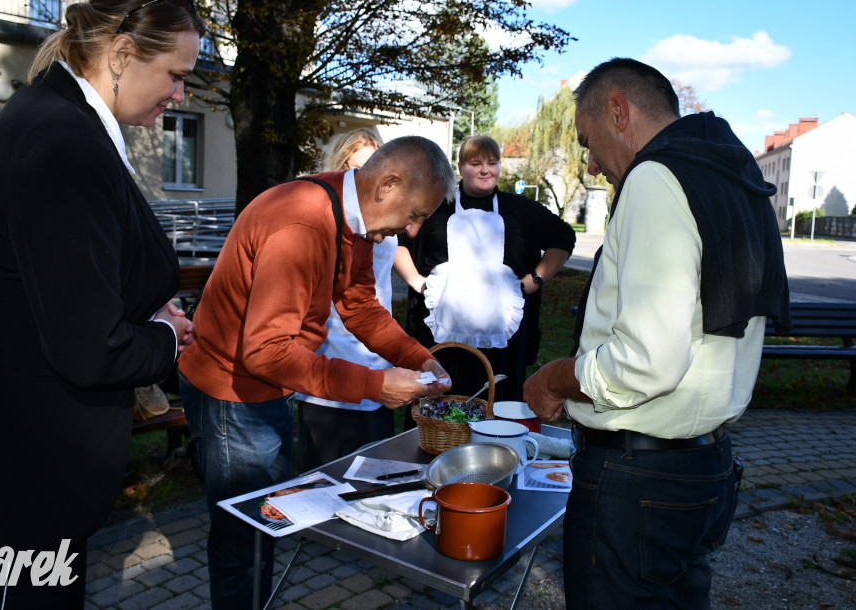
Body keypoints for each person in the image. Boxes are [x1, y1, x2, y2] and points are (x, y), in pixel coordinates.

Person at [0, 0, 203, 608]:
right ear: (123, 53)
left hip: (2, 461)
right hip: (8, 476)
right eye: (177, 75)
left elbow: (57, 277)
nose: (180, 95)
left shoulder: (56, 117)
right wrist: (166, 338)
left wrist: (140, 301)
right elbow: (89, 348)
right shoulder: (64, 145)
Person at [523, 57, 790, 609]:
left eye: (588, 141)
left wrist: (553, 378)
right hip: (706, 468)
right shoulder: (731, 171)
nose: (592, 165)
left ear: (618, 110)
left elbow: (645, 361)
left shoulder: (656, 176)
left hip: (639, 478)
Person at [178, 134, 455, 608]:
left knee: (263, 530)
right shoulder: (302, 223)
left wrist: (417, 357)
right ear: (387, 185)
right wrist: (372, 384)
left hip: (263, 388)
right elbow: (265, 352)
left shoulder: (356, 218)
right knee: (246, 541)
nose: (413, 230)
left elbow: (360, 305)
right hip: (231, 393)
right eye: (416, 214)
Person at [395, 134, 575, 401]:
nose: (485, 170)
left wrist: (535, 279)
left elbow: (563, 237)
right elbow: (397, 237)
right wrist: (415, 280)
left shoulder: (520, 209)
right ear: (460, 167)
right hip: (442, 334)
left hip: (501, 340)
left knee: (496, 401)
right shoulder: (436, 206)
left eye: (492, 162)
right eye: (475, 163)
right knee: (440, 406)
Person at [295, 128, 400, 471]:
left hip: (374, 334)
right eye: (358, 169)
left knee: (374, 464)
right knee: (329, 467)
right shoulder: (326, 217)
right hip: (333, 340)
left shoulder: (382, 218)